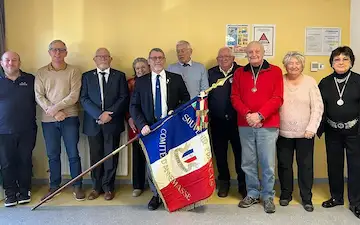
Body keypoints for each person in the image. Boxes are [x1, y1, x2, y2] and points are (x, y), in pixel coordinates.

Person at [130, 48, 190, 210]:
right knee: (153, 165)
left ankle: (174, 194)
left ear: (164, 60)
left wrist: (175, 112)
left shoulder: (176, 79)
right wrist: (142, 125)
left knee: (172, 162)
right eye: (154, 58)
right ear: (149, 61)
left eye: (160, 58)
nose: (157, 61)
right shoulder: (141, 81)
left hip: (170, 128)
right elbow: (134, 106)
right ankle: (156, 195)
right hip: (150, 130)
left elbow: (186, 100)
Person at [231, 41, 283, 213]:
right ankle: (252, 192)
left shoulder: (275, 71)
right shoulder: (239, 72)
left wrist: (259, 115)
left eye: (256, 51)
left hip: (268, 124)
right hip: (245, 124)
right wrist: (248, 115)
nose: (253, 54)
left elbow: (278, 98)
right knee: (248, 162)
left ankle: (268, 195)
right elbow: (235, 97)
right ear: (246, 54)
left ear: (263, 52)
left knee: (267, 163)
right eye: (250, 52)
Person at [35, 40, 85, 201]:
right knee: (53, 155)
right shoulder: (41, 72)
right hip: (49, 120)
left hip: (69, 117)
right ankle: (54, 186)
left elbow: (74, 95)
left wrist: (55, 109)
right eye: (54, 50)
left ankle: (77, 186)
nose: (57, 53)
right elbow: (39, 95)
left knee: (73, 154)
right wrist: (54, 112)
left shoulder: (74, 71)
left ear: (66, 52)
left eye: (61, 50)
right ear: (49, 52)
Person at [277, 51, 323, 212]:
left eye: (297, 63)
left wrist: (312, 128)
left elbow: (318, 107)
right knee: (284, 165)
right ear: (285, 65)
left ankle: (306, 197)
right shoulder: (279, 80)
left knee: (305, 166)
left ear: (302, 65)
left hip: (305, 133)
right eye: (290, 63)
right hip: (283, 133)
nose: (294, 66)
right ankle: (285, 194)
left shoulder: (310, 82)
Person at [80, 48, 129, 201]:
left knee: (111, 156)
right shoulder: (87, 76)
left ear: (110, 59)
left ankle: (108, 187)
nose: (102, 59)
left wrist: (109, 114)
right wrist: (99, 114)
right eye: (99, 56)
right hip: (93, 123)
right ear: (94, 59)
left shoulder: (119, 76)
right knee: (95, 157)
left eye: (105, 56)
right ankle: (96, 187)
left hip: (112, 123)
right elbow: (84, 99)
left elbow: (123, 97)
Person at [318, 46, 360, 219]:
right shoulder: (325, 82)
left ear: (351, 62)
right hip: (332, 130)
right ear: (331, 63)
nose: (341, 62)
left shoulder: (358, 80)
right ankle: (336, 197)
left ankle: (356, 202)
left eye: (345, 59)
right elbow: (319, 107)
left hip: (355, 131)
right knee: (334, 165)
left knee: (355, 167)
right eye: (337, 59)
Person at [207, 47, 246, 198]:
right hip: (217, 122)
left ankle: (243, 185)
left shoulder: (242, 71)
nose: (223, 59)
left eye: (227, 57)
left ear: (233, 58)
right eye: (220, 57)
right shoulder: (210, 73)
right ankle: (224, 183)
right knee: (220, 155)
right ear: (217, 60)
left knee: (240, 155)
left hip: (238, 122)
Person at [0, 51, 37, 207]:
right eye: (7, 60)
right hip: (3, 131)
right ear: (2, 63)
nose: (10, 63)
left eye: (14, 60)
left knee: (25, 161)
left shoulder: (30, 79)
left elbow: (41, 98)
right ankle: (10, 193)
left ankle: (24, 191)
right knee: (7, 163)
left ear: (19, 62)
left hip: (27, 129)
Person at [127, 57, 150, 197]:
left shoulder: (155, 80)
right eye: (137, 68)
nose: (140, 70)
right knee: (138, 154)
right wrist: (129, 118)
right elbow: (127, 103)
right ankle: (138, 185)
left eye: (143, 67)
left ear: (148, 66)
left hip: (153, 123)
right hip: (135, 123)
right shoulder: (130, 83)